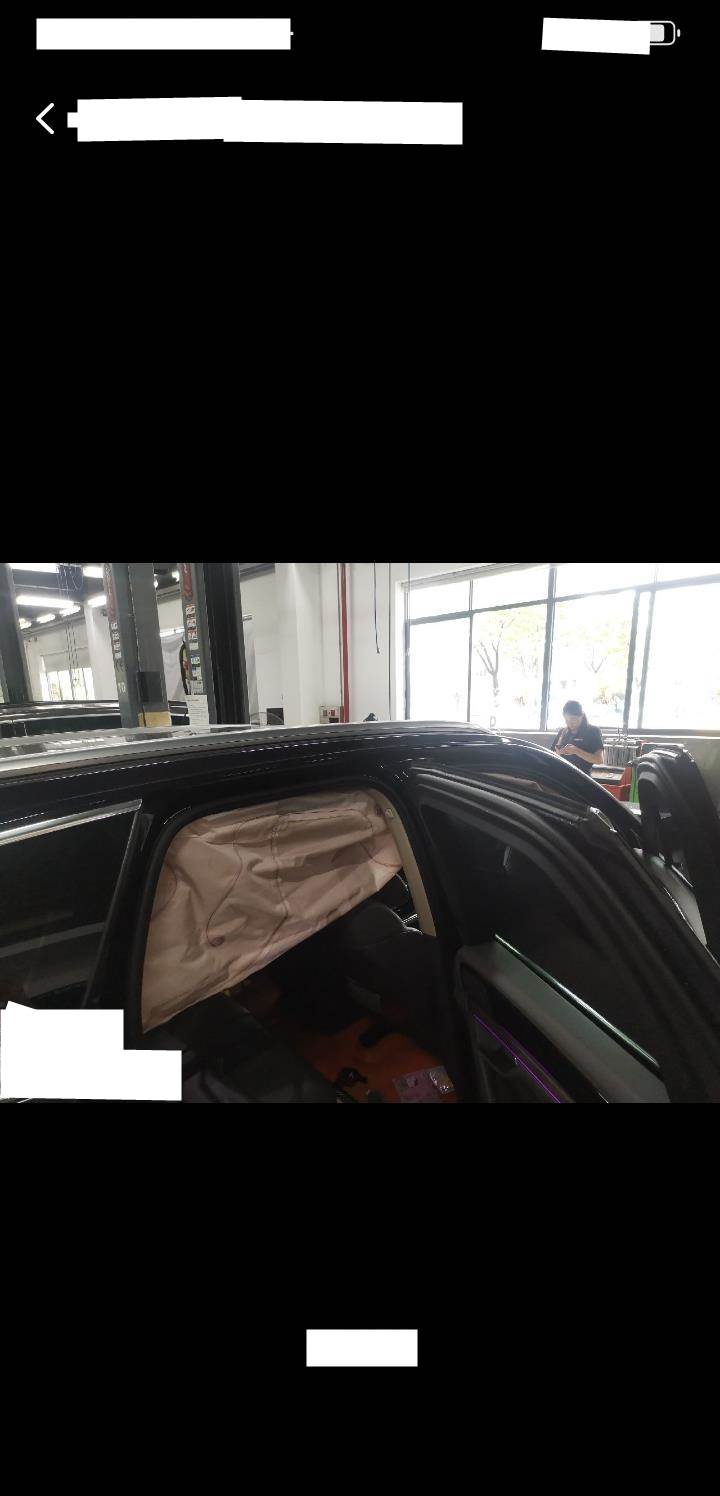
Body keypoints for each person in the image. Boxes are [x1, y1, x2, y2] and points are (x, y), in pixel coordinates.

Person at [551, 699, 604, 775]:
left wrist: (576, 751)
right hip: (561, 776)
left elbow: (599, 759)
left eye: (573, 719)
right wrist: (558, 753)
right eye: (566, 720)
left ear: (581, 715)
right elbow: (552, 755)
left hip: (581, 777)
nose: (570, 723)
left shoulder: (593, 731)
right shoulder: (562, 731)